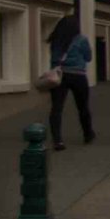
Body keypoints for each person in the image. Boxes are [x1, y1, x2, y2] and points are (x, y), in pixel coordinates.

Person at [46, 16, 94, 151]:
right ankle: (88, 134)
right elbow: (88, 57)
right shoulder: (81, 39)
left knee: (57, 108)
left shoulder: (56, 40)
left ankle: (58, 140)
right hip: (78, 75)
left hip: (59, 76)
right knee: (83, 106)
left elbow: (54, 59)